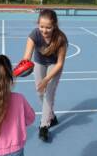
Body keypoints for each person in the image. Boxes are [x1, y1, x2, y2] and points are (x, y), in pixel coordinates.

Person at [22, 9, 68, 142]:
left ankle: (44, 126)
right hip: (39, 63)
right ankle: (51, 116)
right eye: (41, 26)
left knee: (49, 93)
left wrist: (47, 79)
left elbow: (60, 63)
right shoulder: (34, 34)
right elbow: (26, 57)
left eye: (48, 27)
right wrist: (23, 67)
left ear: (54, 25)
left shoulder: (61, 39)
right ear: (38, 24)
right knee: (40, 93)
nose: (44, 30)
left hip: (54, 65)